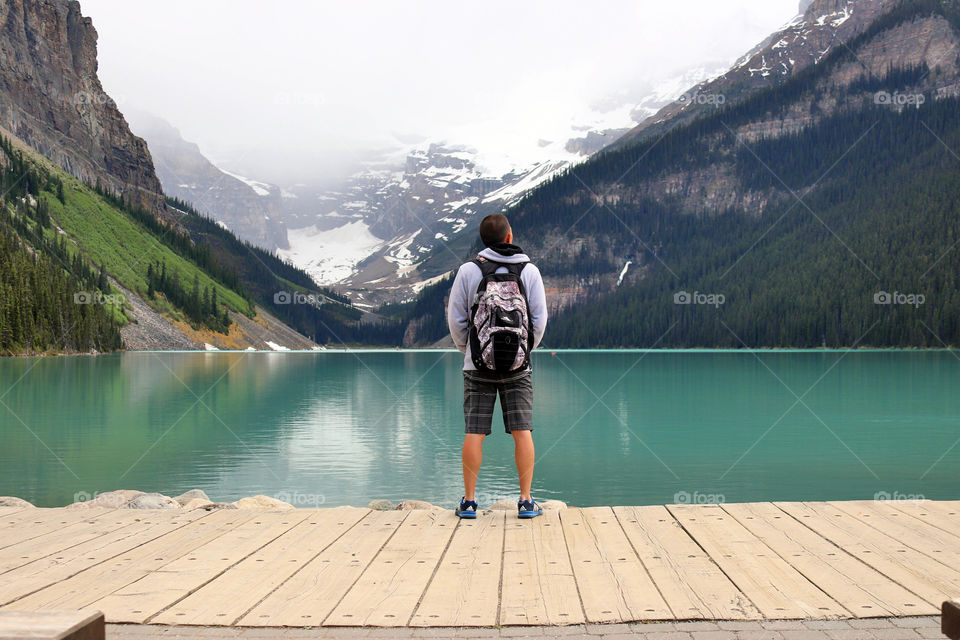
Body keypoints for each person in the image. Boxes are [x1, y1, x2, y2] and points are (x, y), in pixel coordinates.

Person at [446, 213, 548, 519]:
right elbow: (539, 320)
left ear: (483, 241)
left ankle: (468, 502)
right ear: (509, 236)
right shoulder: (529, 271)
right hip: (519, 368)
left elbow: (456, 320)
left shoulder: (468, 270)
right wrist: (523, 350)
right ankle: (526, 501)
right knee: (522, 431)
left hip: (476, 367)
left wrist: (472, 351)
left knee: (474, 432)